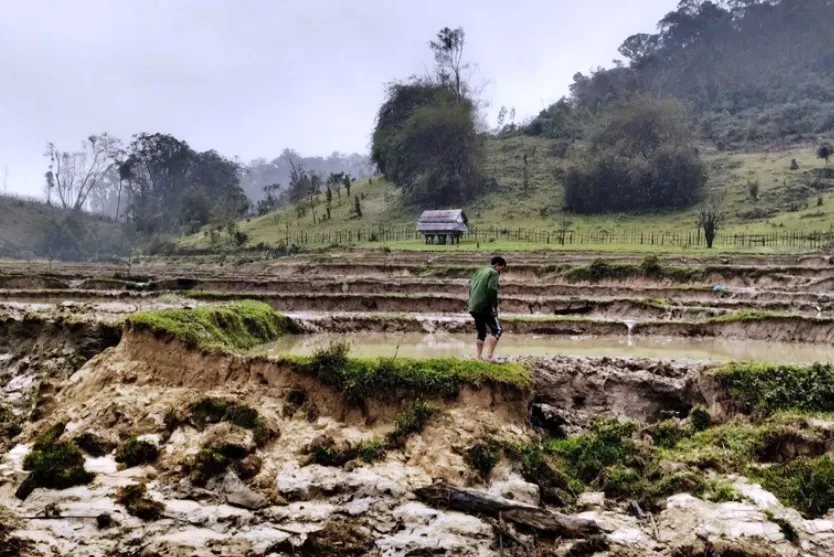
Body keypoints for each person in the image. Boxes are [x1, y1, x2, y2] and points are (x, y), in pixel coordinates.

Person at [468, 256, 507, 361]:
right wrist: (493, 306)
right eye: (501, 268)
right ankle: (490, 355)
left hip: (474, 305)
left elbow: (471, 287)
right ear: (498, 265)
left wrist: (471, 302)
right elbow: (491, 289)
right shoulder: (493, 273)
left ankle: (478, 356)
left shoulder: (479, 272)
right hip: (485, 306)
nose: (500, 271)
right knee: (497, 330)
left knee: (481, 332)